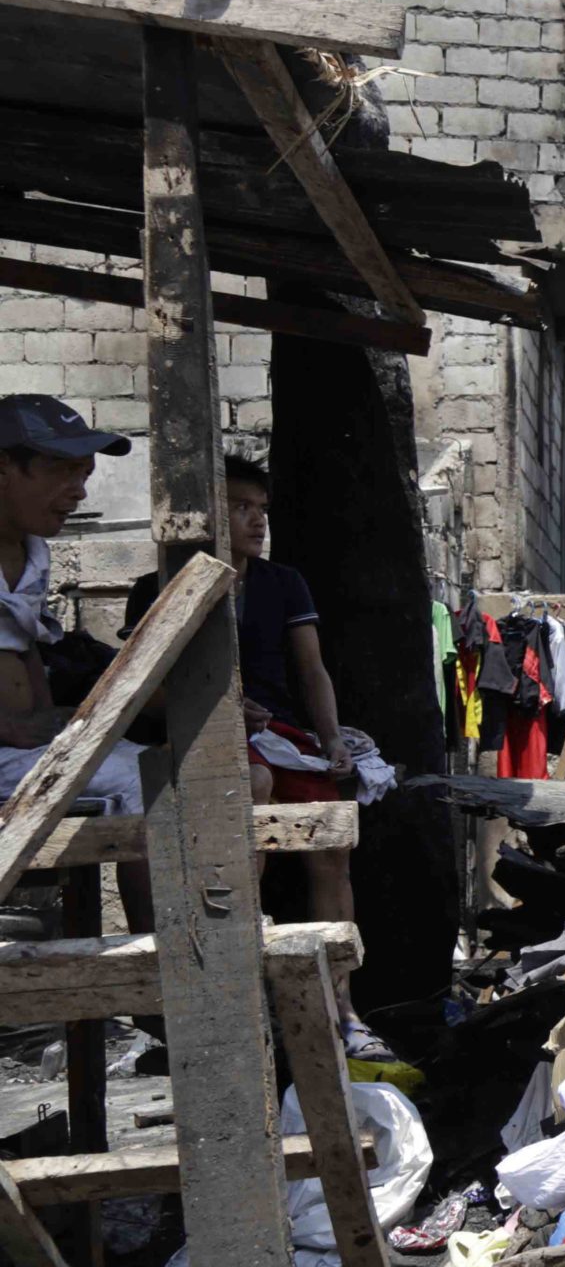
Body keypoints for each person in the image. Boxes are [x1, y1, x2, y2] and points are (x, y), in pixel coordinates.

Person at [127, 457, 355, 929]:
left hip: (279, 733)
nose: (258, 521)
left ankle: (339, 988)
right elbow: (141, 686)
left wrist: (332, 739)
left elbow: (312, 671)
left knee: (332, 837)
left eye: (262, 508)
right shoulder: (156, 589)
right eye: (242, 507)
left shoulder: (284, 584)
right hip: (197, 738)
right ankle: (239, 938)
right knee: (252, 783)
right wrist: (220, 713)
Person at [0, 396, 152, 918]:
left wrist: (52, 726)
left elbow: (29, 653)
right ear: (3, 469)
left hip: (18, 752)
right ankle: (164, 961)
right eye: (63, 471)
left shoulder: (32, 552)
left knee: (155, 761)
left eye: (84, 474)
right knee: (145, 779)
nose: (79, 491)